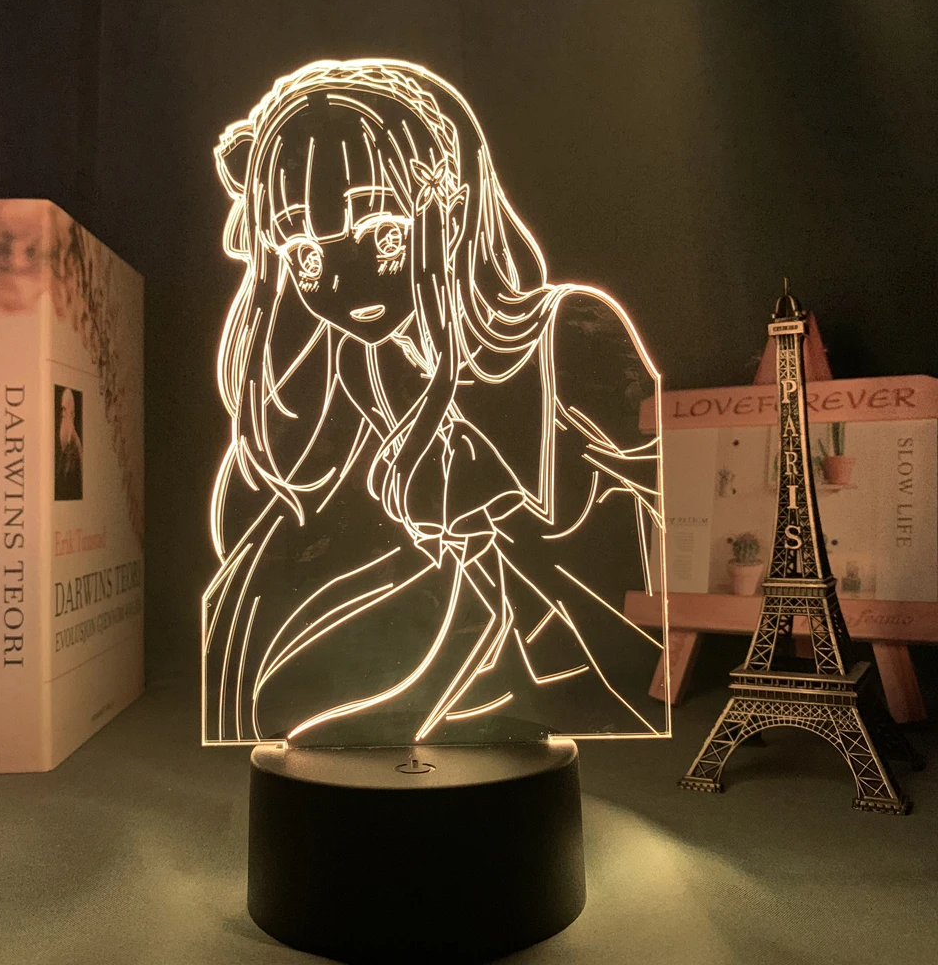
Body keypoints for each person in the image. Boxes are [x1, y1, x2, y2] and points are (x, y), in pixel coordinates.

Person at [203, 59, 666, 745]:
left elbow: (679, 495)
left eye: (382, 234)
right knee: (255, 613)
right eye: (306, 257)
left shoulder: (568, 332)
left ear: (452, 209)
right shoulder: (370, 359)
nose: (344, 284)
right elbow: (456, 565)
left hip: (606, 662)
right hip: (484, 659)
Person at [55, 386, 83, 501]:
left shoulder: (73, 439)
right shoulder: (64, 431)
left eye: (65, 409)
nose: (62, 412)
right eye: (62, 409)